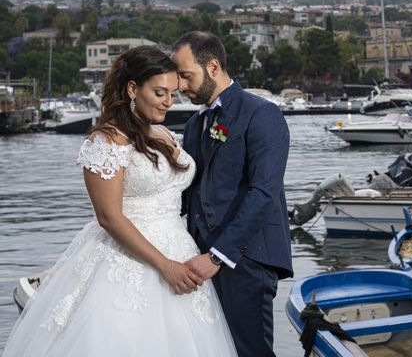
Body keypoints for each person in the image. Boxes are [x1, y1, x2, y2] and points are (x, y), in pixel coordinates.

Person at [2, 46, 237, 357]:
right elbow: (109, 217)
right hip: (131, 259)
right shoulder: (105, 141)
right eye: (159, 92)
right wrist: (165, 267)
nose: (168, 101)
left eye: (172, 93)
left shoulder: (163, 133)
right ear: (132, 89)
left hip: (180, 250)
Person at [171, 31, 293, 357]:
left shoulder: (261, 114)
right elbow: (190, 192)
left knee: (248, 352)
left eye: (186, 75)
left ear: (212, 66)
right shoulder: (195, 125)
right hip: (197, 257)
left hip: (247, 257)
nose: (180, 86)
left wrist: (217, 257)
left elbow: (264, 193)